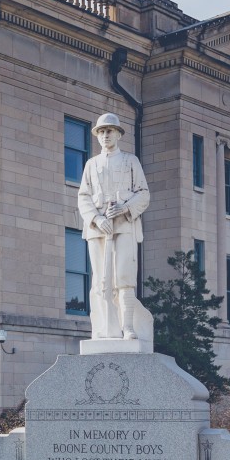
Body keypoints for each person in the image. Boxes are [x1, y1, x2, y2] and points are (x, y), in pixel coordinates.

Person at [76, 113, 150, 339]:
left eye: (109, 131)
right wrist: (97, 219)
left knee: (124, 278)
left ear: (118, 134)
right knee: (100, 281)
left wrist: (125, 208)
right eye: (101, 131)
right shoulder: (91, 164)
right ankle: (103, 328)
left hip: (124, 226)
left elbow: (144, 194)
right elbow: (83, 197)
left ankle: (127, 327)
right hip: (98, 229)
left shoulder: (131, 161)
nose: (105, 135)